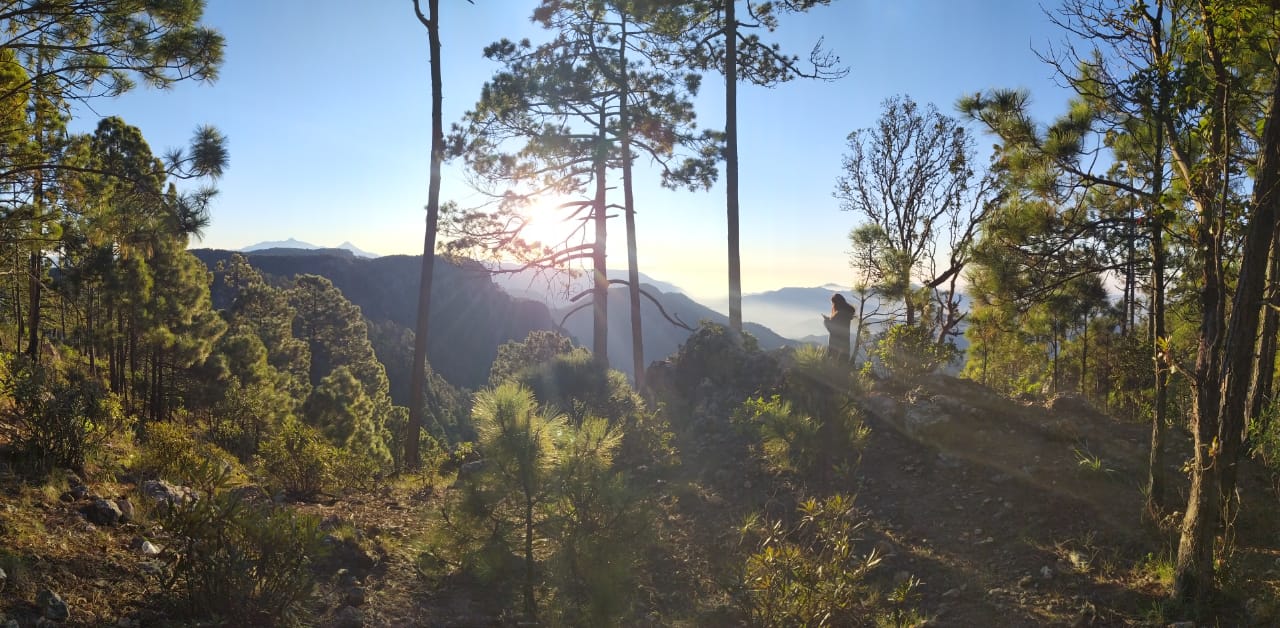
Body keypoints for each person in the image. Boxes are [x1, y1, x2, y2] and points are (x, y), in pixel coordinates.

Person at [823, 293, 856, 362]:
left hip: (835, 344)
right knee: (843, 363)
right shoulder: (847, 313)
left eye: (833, 303)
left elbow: (833, 330)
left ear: (836, 303)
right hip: (845, 343)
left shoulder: (839, 314)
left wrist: (826, 321)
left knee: (834, 365)